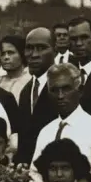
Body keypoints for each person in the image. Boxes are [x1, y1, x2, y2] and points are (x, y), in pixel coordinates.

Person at [24, 63, 91, 182]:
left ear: (80, 91)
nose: (60, 96)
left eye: (66, 89)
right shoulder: (46, 132)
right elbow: (35, 177)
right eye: (54, 90)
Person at [15, 28, 59, 164]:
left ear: (55, 50)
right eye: (29, 48)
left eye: (41, 48)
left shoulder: (64, 87)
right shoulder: (26, 91)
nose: (34, 55)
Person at [0, 35, 31, 103]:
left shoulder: (30, 80)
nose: (6, 57)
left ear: (21, 55)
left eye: (10, 53)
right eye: (2, 54)